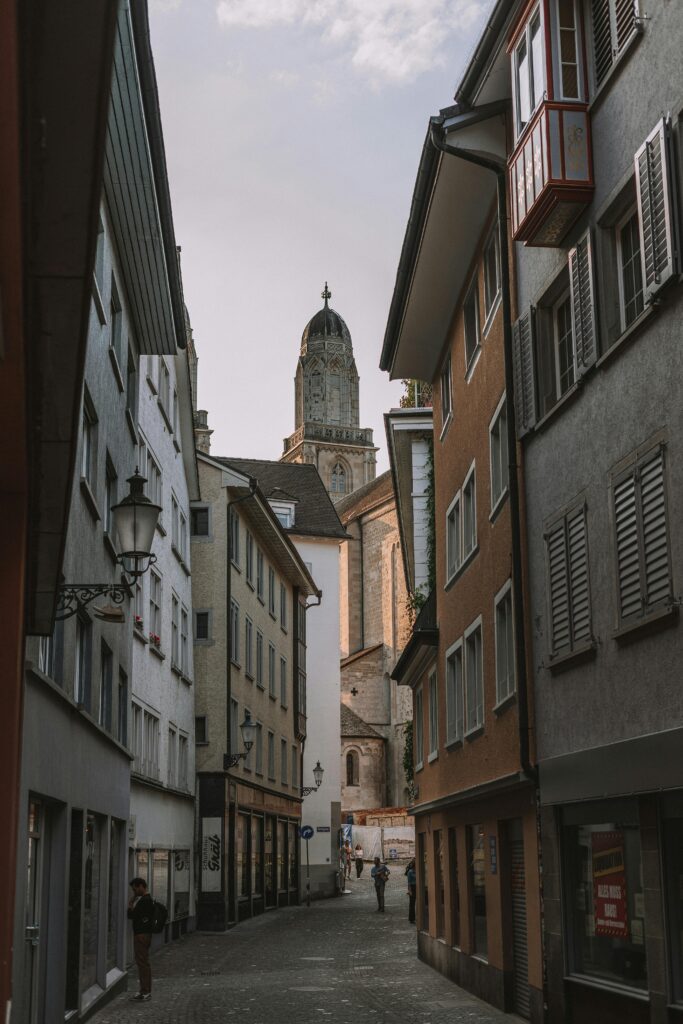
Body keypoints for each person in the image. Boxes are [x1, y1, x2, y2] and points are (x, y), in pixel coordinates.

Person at [128, 877, 154, 1001]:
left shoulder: (144, 901)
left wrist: (131, 903)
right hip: (145, 935)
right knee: (143, 963)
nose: (134, 892)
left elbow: (132, 915)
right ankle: (144, 990)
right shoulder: (147, 900)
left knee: (143, 963)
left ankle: (145, 992)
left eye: (135, 889)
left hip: (141, 936)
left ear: (141, 886)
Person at [405, 859, 416, 924]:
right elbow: (409, 882)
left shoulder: (419, 871)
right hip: (412, 887)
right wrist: (410, 891)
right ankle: (411, 918)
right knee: (412, 904)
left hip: (418, 887)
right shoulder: (410, 872)